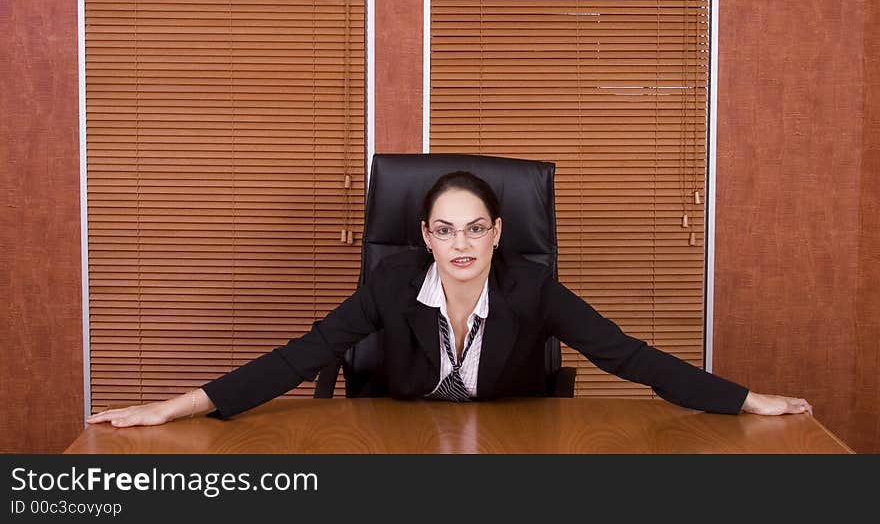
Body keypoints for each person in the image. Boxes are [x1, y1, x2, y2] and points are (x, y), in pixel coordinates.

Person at [87, 171, 813, 428]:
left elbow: (632, 357)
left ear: (499, 232)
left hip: (512, 443)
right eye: (444, 229)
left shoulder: (534, 289)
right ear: (425, 237)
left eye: (475, 227)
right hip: (401, 442)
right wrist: (174, 405)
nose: (460, 243)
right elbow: (300, 355)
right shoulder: (391, 284)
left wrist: (749, 399)